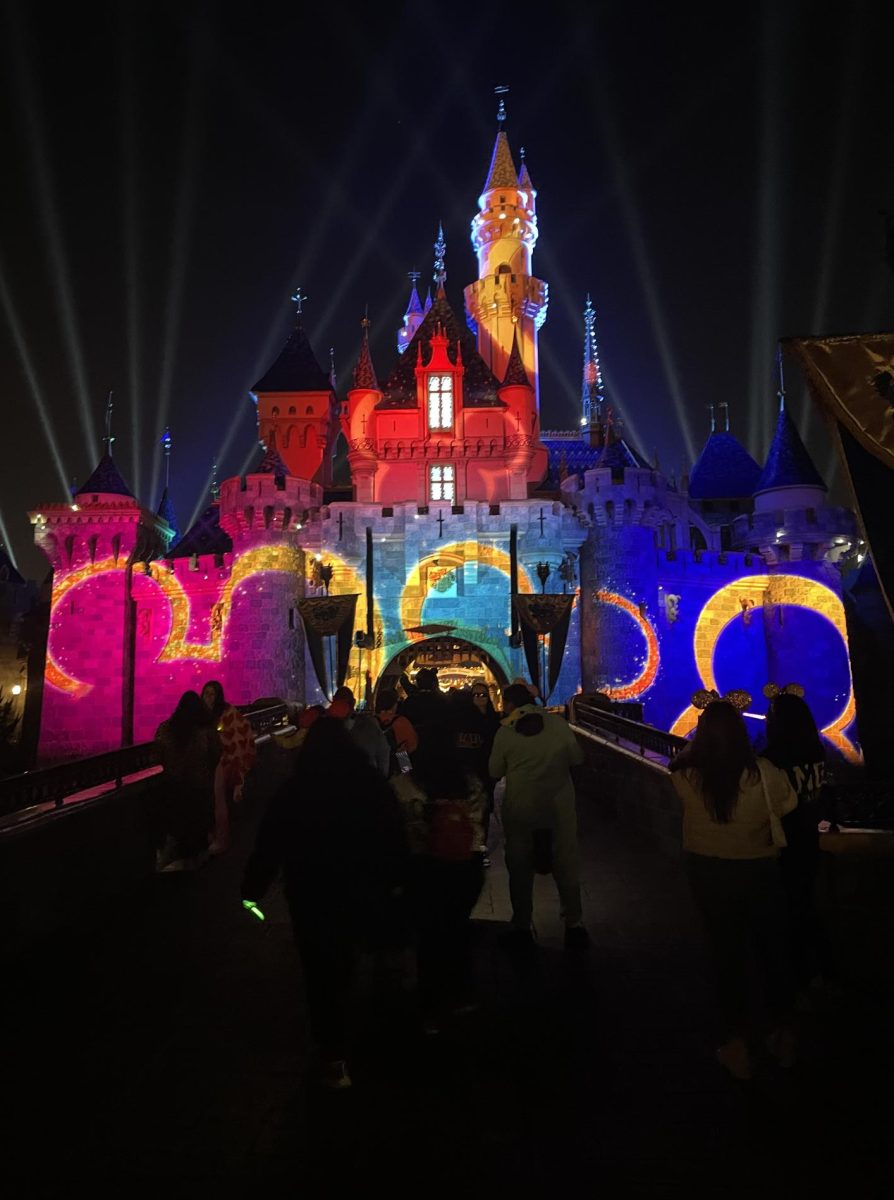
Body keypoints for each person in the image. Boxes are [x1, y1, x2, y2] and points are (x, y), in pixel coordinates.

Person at [241, 717, 409, 1090]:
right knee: (348, 957)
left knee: (319, 971)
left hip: (309, 894)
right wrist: (398, 879)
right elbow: (394, 834)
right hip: (359, 888)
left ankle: (332, 1052)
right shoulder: (369, 786)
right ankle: (367, 1033)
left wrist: (252, 888)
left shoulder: (295, 790)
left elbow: (270, 843)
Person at [670, 700, 798, 1081]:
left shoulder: (687, 777)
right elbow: (788, 804)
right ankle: (783, 1034)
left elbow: (677, 763)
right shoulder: (763, 773)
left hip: (709, 871)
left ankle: (738, 1044)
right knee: (771, 950)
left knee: (726, 954)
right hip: (759, 868)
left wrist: (698, 744)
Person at [391, 724, 486, 1032]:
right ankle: (461, 993)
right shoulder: (471, 784)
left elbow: (393, 830)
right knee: (457, 928)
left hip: (424, 869)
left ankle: (430, 1006)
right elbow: (480, 822)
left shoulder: (403, 786)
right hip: (465, 868)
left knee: (429, 935)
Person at [488, 683, 588, 950]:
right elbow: (576, 758)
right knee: (566, 864)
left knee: (520, 867)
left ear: (510, 704)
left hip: (521, 807)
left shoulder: (505, 731)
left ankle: (522, 924)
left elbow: (494, 769)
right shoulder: (557, 725)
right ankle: (574, 924)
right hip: (559, 806)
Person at [763, 691, 831, 997]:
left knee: (789, 913)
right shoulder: (816, 753)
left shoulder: (772, 761)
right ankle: (821, 973)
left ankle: (800, 980)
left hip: (784, 844)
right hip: (810, 840)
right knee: (807, 906)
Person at [154, 690, 221, 871]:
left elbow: (158, 756)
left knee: (179, 826)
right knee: (198, 827)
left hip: (173, 787)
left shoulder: (165, 729)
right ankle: (195, 861)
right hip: (200, 787)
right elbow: (216, 755)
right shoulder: (206, 732)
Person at [201, 680, 257, 854]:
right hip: (207, 765)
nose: (208, 698)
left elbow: (238, 737)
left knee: (220, 802)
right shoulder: (203, 715)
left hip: (223, 764)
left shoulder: (227, 713)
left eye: (212, 694)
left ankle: (222, 838)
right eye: (206, 693)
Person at [450, 685, 500, 862]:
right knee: (480, 809)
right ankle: (477, 847)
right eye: (475, 695)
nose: (479, 697)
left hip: (470, 773)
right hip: (479, 772)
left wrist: (405, 772)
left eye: (482, 695)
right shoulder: (482, 722)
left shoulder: (449, 725)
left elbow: (403, 749)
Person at [329, 685, 390, 776]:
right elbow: (390, 751)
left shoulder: (325, 727)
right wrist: (405, 771)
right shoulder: (398, 721)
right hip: (373, 778)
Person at [398, 667, 448, 750]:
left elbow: (401, 734)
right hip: (438, 747)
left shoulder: (411, 701)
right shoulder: (443, 700)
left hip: (414, 747)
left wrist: (404, 762)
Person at [375, 687, 418, 775]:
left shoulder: (371, 721)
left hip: (376, 764)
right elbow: (412, 746)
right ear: (394, 705)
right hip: (400, 761)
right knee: (403, 783)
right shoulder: (401, 722)